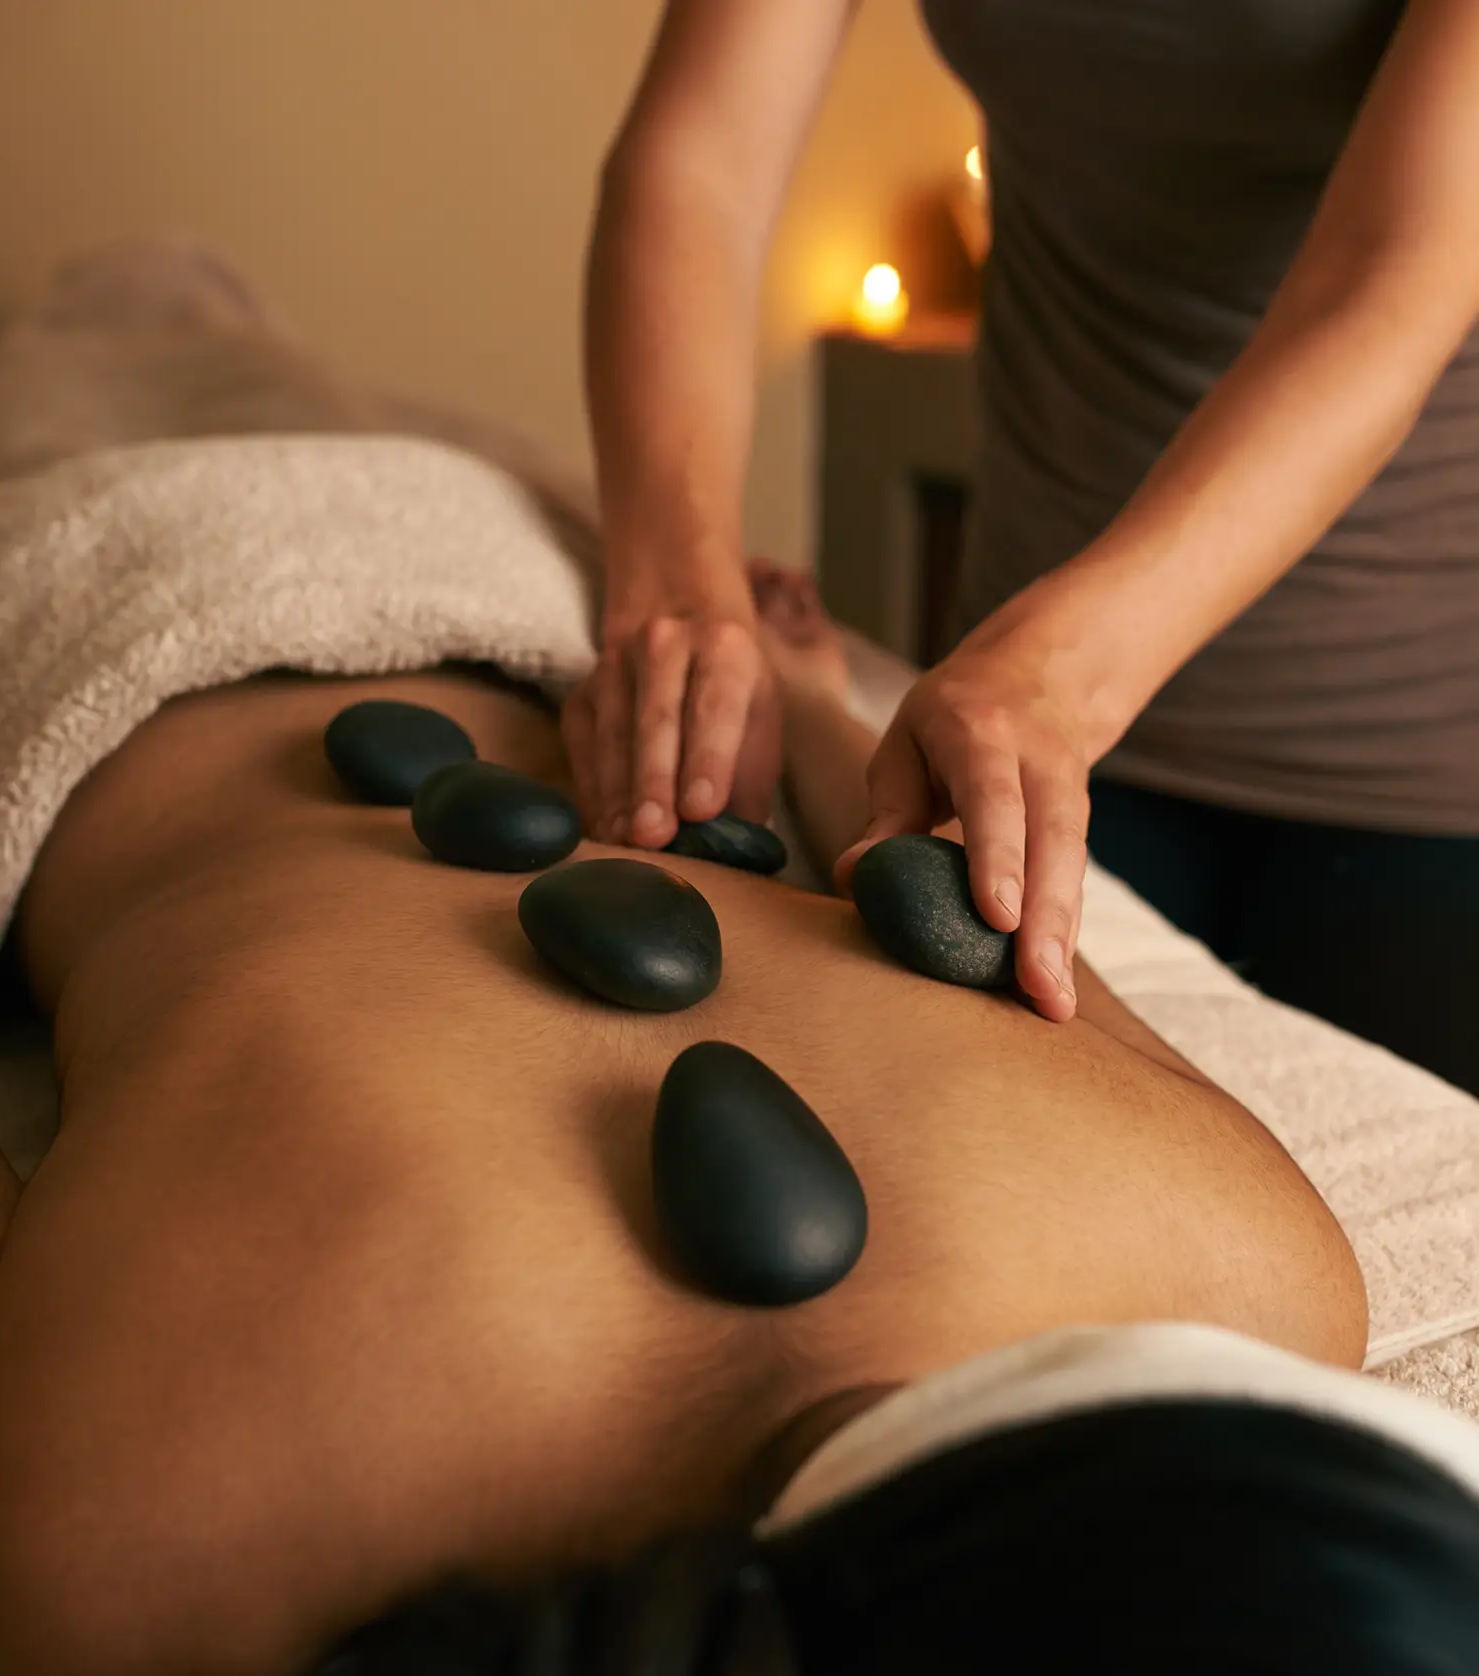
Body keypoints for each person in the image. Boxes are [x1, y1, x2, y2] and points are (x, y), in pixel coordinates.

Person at [0, 251, 1372, 1672]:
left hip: (107, 598)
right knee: (213, 338)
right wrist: (811, 698)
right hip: (551, 614)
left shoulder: (139, 1563)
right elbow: (957, 875)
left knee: (92, 335)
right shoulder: (126, 1563)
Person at [573, 0, 1479, 1094]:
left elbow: (1394, 268)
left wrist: (1055, 671)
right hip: (1034, 683)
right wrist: (678, 585)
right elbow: (700, 165)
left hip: (1422, 735)